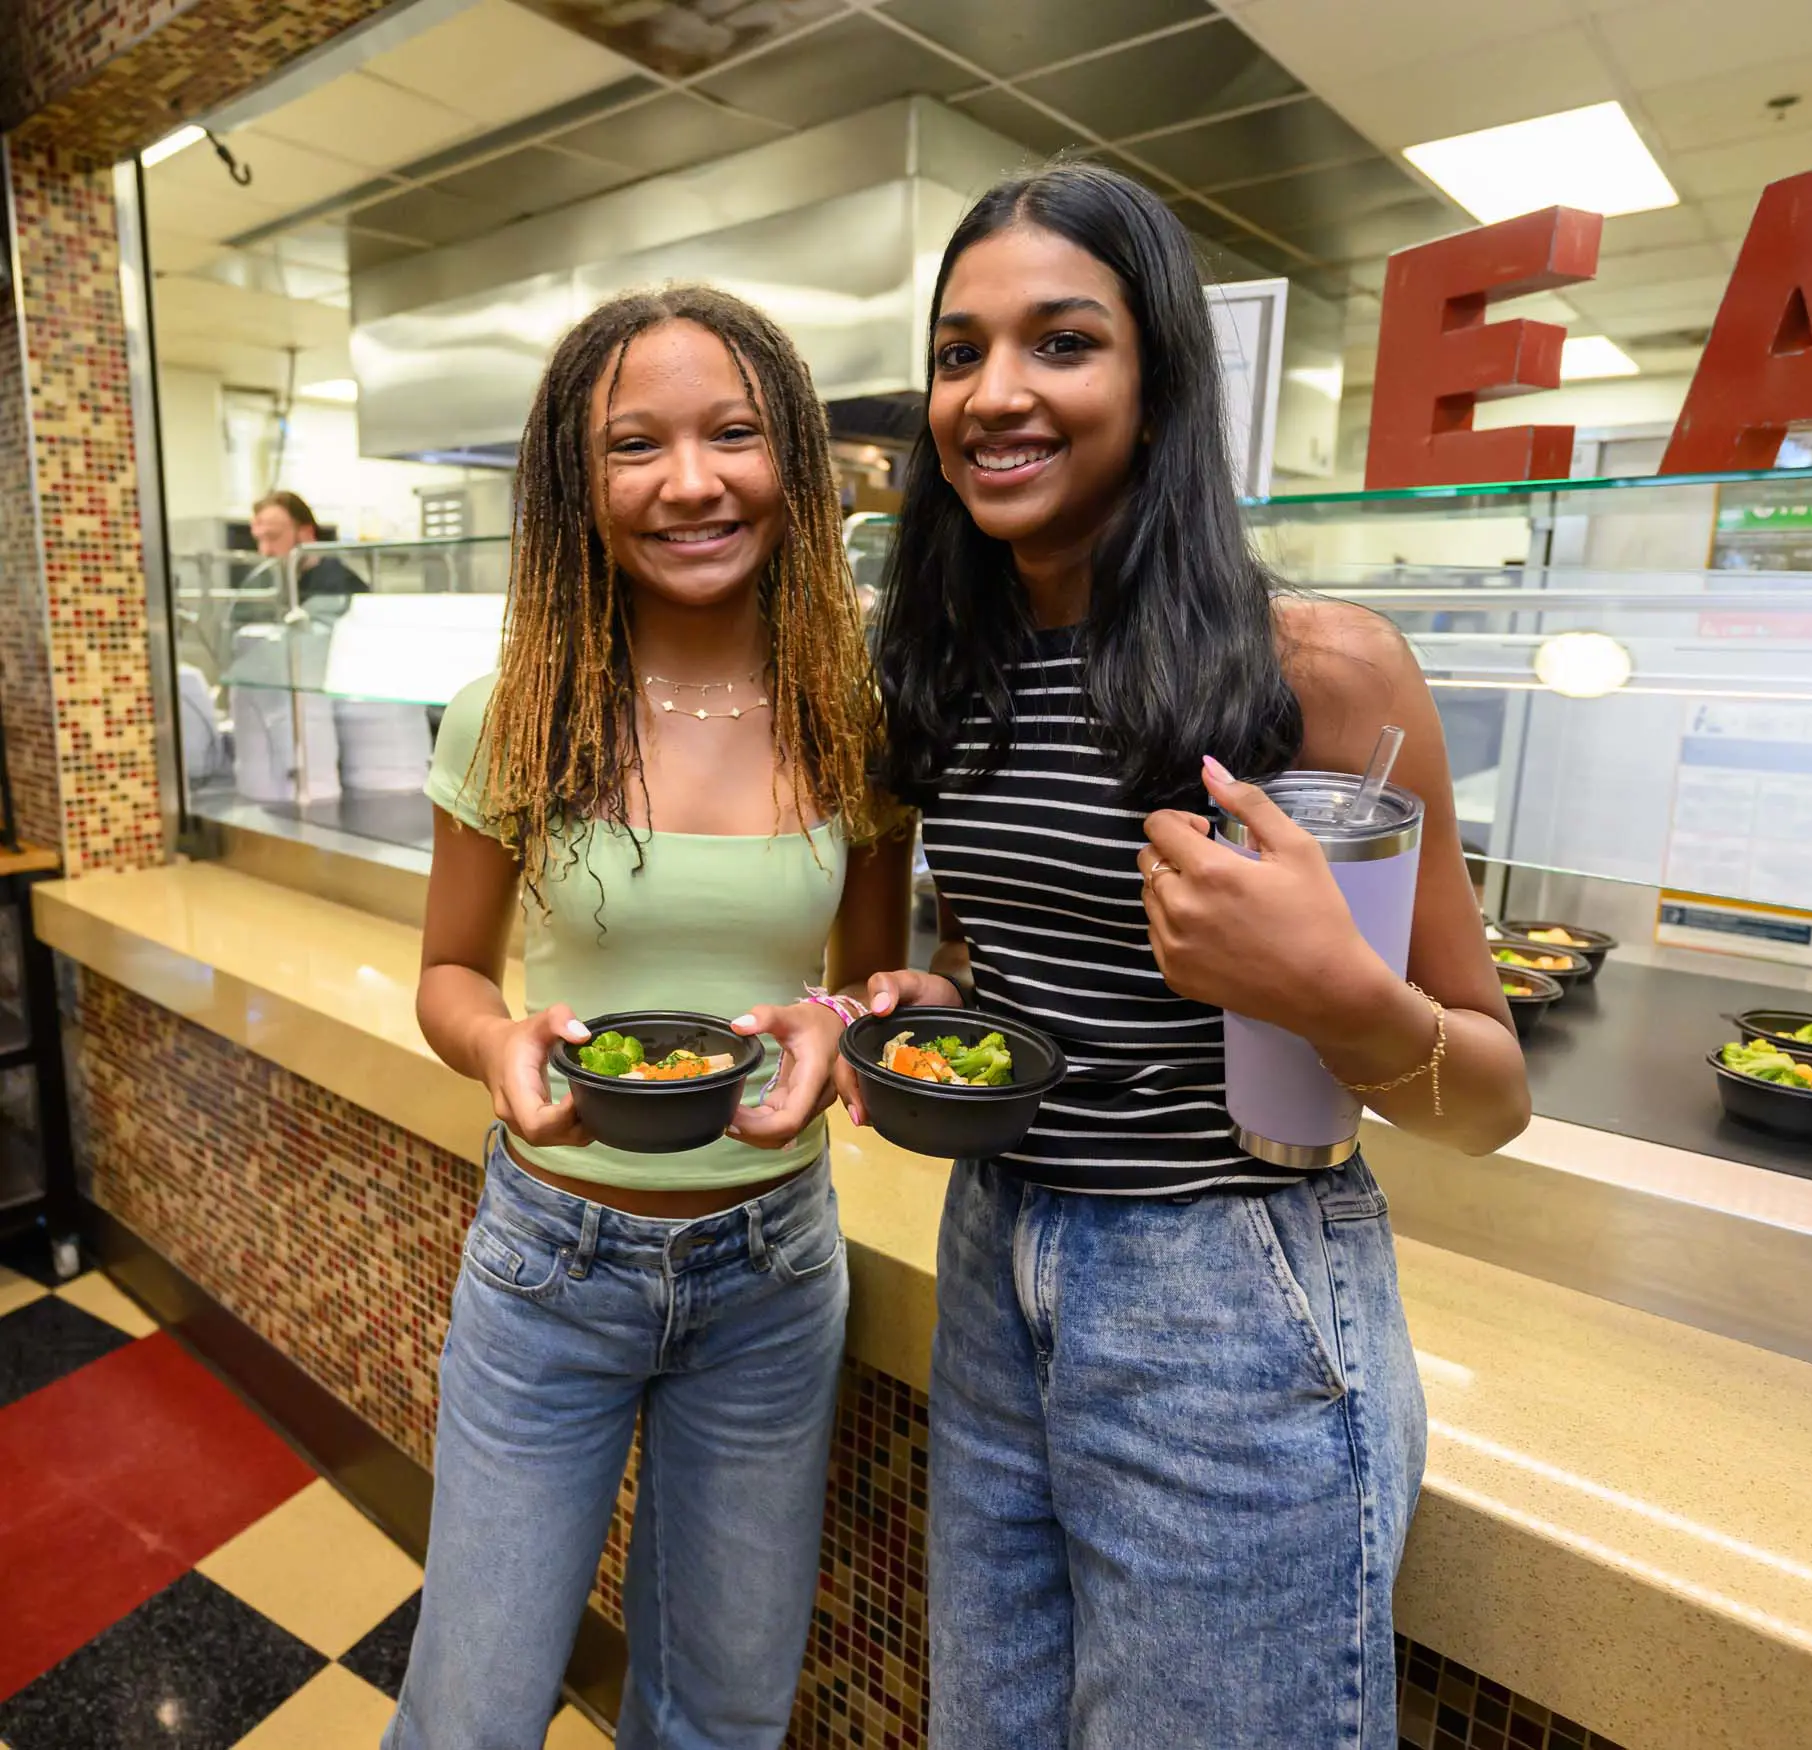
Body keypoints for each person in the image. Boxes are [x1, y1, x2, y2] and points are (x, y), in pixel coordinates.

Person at [837, 163, 1531, 1748]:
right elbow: (1004, 958)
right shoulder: (949, 664)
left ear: (1155, 388)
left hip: (1226, 1286)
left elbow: (1486, 1094)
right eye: (958, 353)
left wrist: (1335, 994)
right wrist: (936, 1003)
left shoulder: (1323, 672)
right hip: (994, 1248)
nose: (993, 394)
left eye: (1059, 343)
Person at [392, 286, 907, 1750]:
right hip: (553, 1262)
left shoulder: (850, 710)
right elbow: (448, 972)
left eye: (732, 433)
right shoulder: (513, 709)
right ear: (579, 482)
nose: (691, 481)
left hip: (771, 1268)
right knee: (472, 1711)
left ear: (791, 464)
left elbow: (862, 985)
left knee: (724, 1712)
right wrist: (499, 1045)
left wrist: (834, 1032)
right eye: (638, 446)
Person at [250, 488, 370, 602]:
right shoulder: (274, 584)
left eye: (273, 537)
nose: (265, 551)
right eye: (259, 540)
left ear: (306, 533)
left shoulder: (338, 587)